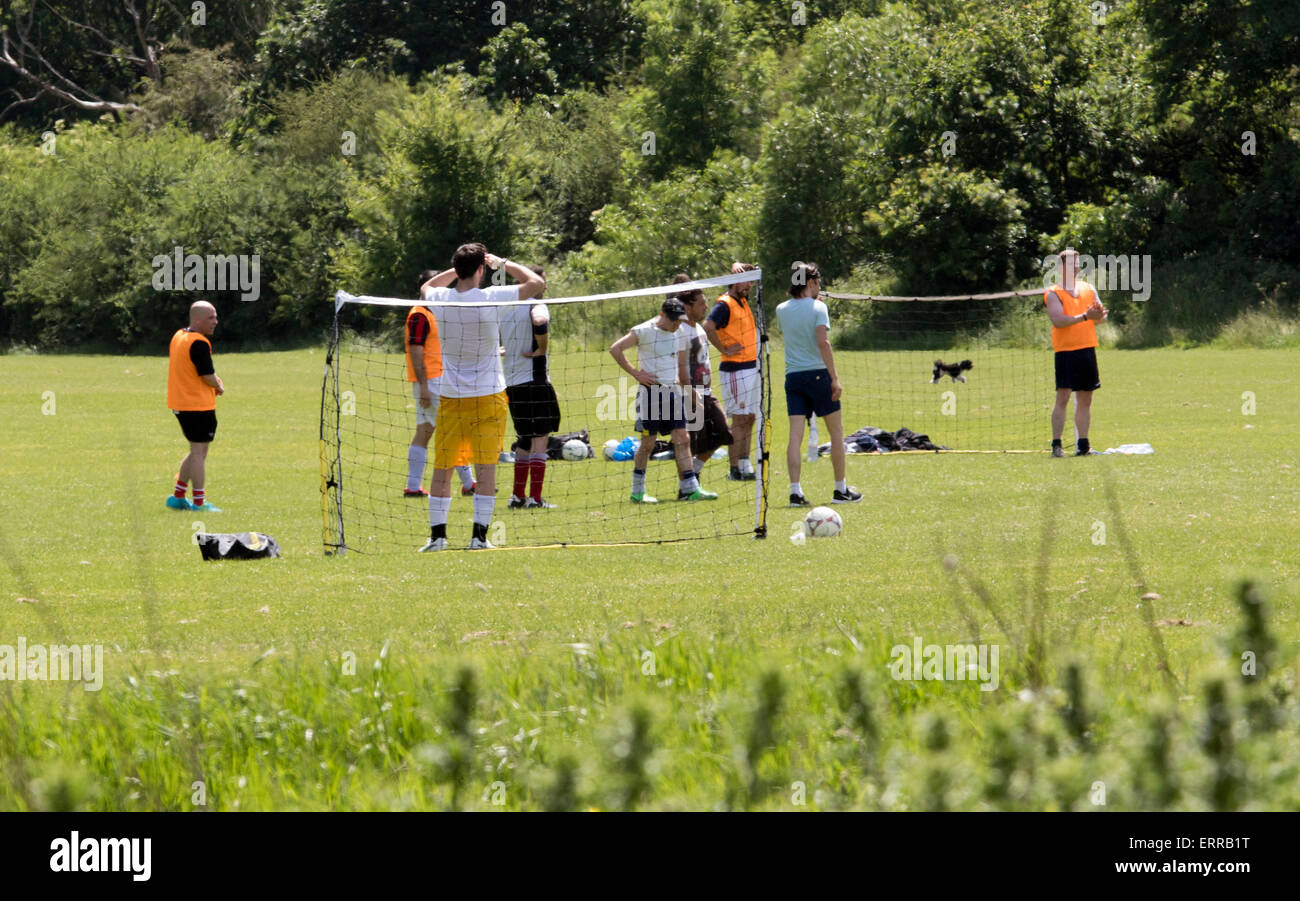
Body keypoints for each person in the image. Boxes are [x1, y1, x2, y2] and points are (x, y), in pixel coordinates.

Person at [417, 244, 545, 551]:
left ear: (457, 269)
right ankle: (478, 538)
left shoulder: (441, 297)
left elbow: (426, 286)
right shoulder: (490, 296)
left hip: (451, 398)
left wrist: (459, 268)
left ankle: (438, 538)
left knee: (442, 469)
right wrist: (502, 263)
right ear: (481, 270)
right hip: (489, 397)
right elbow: (536, 284)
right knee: (487, 468)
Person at [609, 297, 718, 504]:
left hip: (673, 393)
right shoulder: (643, 331)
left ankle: (690, 488)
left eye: (680, 320)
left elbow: (677, 363)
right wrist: (636, 374)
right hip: (651, 395)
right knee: (648, 443)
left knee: (683, 438)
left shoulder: (678, 331)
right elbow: (615, 349)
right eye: (674, 320)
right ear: (662, 314)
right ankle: (638, 492)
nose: (678, 324)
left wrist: (684, 388)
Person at [775, 263, 861, 506]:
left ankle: (795, 492)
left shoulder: (781, 309)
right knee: (836, 433)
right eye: (818, 282)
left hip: (793, 378)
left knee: (795, 436)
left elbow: (794, 329)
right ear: (811, 282)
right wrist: (835, 378)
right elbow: (823, 343)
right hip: (818, 376)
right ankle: (840, 489)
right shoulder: (819, 307)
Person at [403, 270, 477, 499]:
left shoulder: (435, 312)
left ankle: (413, 487)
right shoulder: (420, 314)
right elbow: (415, 351)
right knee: (454, 429)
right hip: (432, 382)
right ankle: (469, 484)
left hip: (435, 380)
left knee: (424, 431)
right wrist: (424, 385)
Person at [501, 264, 561, 509]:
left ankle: (517, 497)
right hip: (535, 382)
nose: (544, 285)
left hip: (512, 385)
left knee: (523, 441)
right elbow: (540, 320)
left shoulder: (504, 308)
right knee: (539, 441)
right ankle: (535, 499)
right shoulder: (535, 304)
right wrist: (542, 347)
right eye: (541, 280)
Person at [1044, 247, 1107, 457]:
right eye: (1072, 263)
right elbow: (1058, 320)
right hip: (1066, 352)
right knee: (1063, 397)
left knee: (1085, 399)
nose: (1077, 267)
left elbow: (1101, 316)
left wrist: (1098, 314)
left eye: (1078, 263)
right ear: (1061, 267)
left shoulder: (1088, 288)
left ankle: (1083, 446)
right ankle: (1057, 446)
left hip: (1087, 349)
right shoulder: (1053, 293)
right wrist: (1085, 317)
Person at [673, 273, 733, 486]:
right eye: (701, 304)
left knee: (723, 432)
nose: (705, 308)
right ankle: (686, 487)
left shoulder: (698, 327)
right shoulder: (678, 330)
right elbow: (677, 366)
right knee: (687, 443)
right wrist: (688, 393)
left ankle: (694, 472)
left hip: (707, 392)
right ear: (688, 307)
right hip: (689, 394)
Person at [166, 300, 225, 513]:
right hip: (197, 405)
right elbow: (207, 375)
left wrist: (214, 381)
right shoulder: (199, 342)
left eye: (216, 317)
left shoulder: (179, 335)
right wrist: (218, 385)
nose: (215, 322)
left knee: (196, 451)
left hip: (180, 402)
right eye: (211, 318)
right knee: (199, 452)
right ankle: (199, 502)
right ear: (197, 319)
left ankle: (178, 497)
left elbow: (195, 368)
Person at [704, 262, 760, 481]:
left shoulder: (742, 300)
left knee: (750, 418)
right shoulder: (724, 304)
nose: (749, 285)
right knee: (739, 420)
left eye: (751, 281)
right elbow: (708, 326)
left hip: (750, 367)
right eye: (745, 281)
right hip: (735, 370)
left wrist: (739, 265)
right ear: (734, 281)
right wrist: (724, 348)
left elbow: (743, 266)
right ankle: (734, 468)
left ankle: (745, 464)